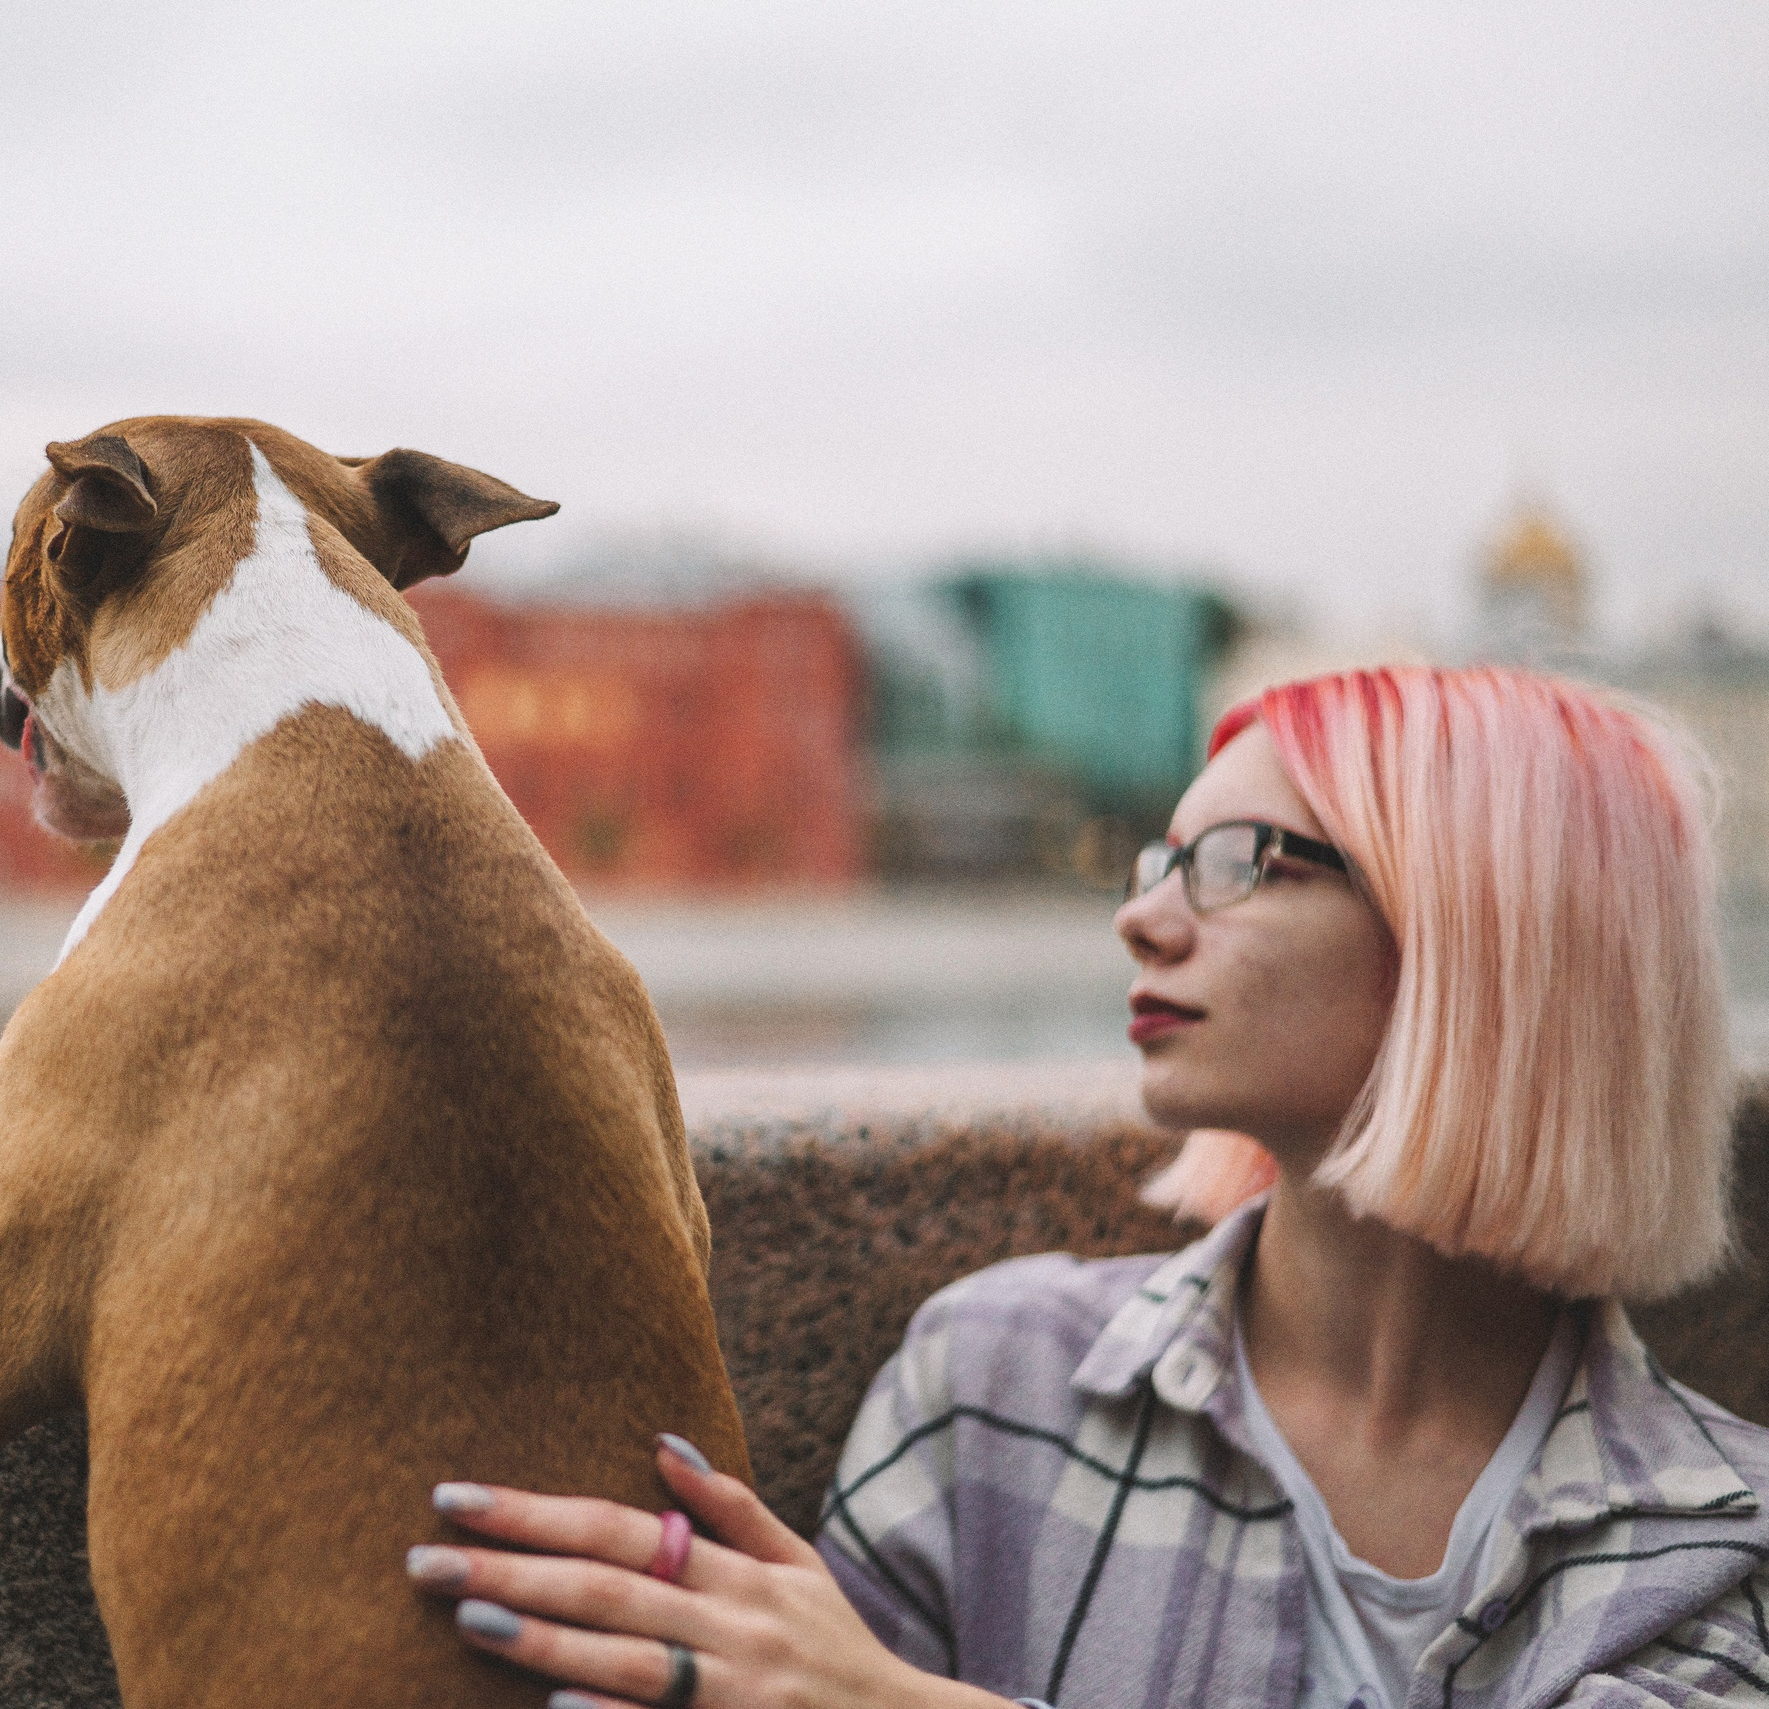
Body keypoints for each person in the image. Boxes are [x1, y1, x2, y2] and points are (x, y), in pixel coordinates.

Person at [406, 665, 1769, 1709]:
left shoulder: (1709, 1537)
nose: (1141, 915)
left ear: (1488, 939)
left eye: (1236, 864)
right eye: (1157, 861)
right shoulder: (996, 1373)